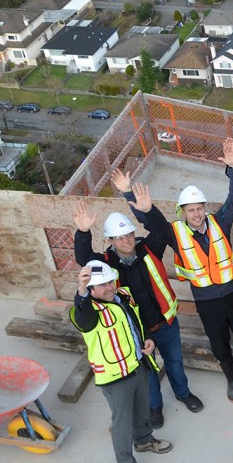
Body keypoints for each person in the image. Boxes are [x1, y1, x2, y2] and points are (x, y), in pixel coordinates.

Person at [72, 172, 203, 430]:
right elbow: (83, 257)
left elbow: (161, 230)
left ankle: (183, 393)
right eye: (120, 238)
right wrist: (83, 230)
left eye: (129, 235)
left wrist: (139, 202)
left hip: (165, 323)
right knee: (148, 373)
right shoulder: (106, 264)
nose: (126, 240)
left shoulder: (148, 249)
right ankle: (155, 407)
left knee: (175, 362)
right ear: (110, 241)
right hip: (136, 331)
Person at [158, 137, 233, 402]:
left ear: (205, 208)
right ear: (182, 212)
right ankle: (231, 379)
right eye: (191, 210)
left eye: (199, 209)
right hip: (206, 300)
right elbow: (150, 220)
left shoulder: (219, 220)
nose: (196, 214)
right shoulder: (174, 233)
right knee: (219, 343)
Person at [70, 261, 172, 463]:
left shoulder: (123, 295)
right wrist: (81, 291)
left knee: (141, 408)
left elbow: (135, 322)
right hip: (115, 377)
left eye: (110, 282)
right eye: (102, 285)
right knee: (122, 422)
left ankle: (144, 440)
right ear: (91, 290)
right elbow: (83, 318)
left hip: (137, 365)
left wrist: (147, 339)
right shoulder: (88, 311)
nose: (109, 288)